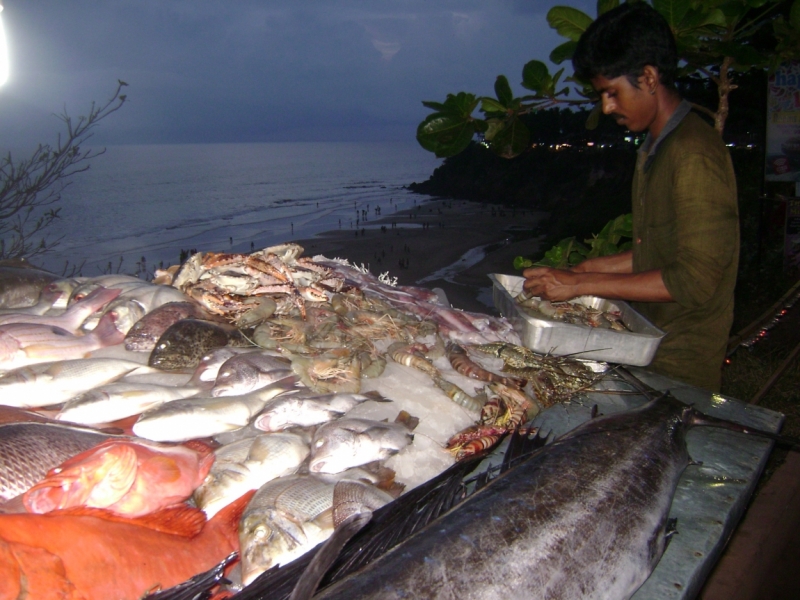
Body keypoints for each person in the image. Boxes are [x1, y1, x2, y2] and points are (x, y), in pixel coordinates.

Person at [522, 2, 739, 392]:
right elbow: (661, 248)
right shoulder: (658, 145)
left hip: (679, 363)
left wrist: (579, 286)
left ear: (649, 77)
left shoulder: (693, 153)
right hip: (648, 345)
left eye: (612, 93)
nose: (607, 107)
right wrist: (588, 270)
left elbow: (694, 279)